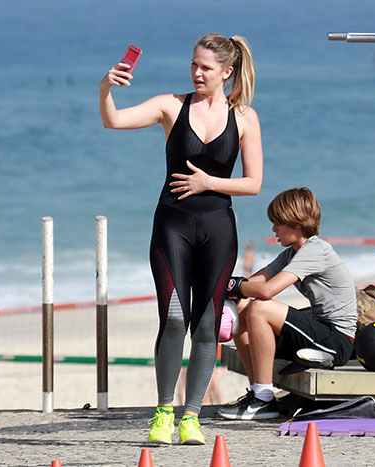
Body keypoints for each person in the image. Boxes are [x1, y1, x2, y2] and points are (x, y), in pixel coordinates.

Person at [99, 33, 263, 445]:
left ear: (226, 71)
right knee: (173, 319)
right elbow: (113, 120)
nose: (196, 73)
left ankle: (191, 418)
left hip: (218, 229)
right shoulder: (171, 105)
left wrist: (210, 181)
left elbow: (255, 183)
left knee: (206, 325)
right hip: (172, 225)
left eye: (206, 67)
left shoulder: (244, 117)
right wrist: (105, 88)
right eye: (193, 64)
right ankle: (162, 413)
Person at [219, 187, 357, 420]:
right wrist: (221, 286)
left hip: (337, 341)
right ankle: (258, 394)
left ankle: (263, 399)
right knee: (243, 308)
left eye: (277, 223)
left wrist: (231, 286)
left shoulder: (316, 250)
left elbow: (266, 290)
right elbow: (253, 282)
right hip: (318, 332)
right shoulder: (293, 253)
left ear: (296, 223)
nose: (273, 229)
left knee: (260, 307)